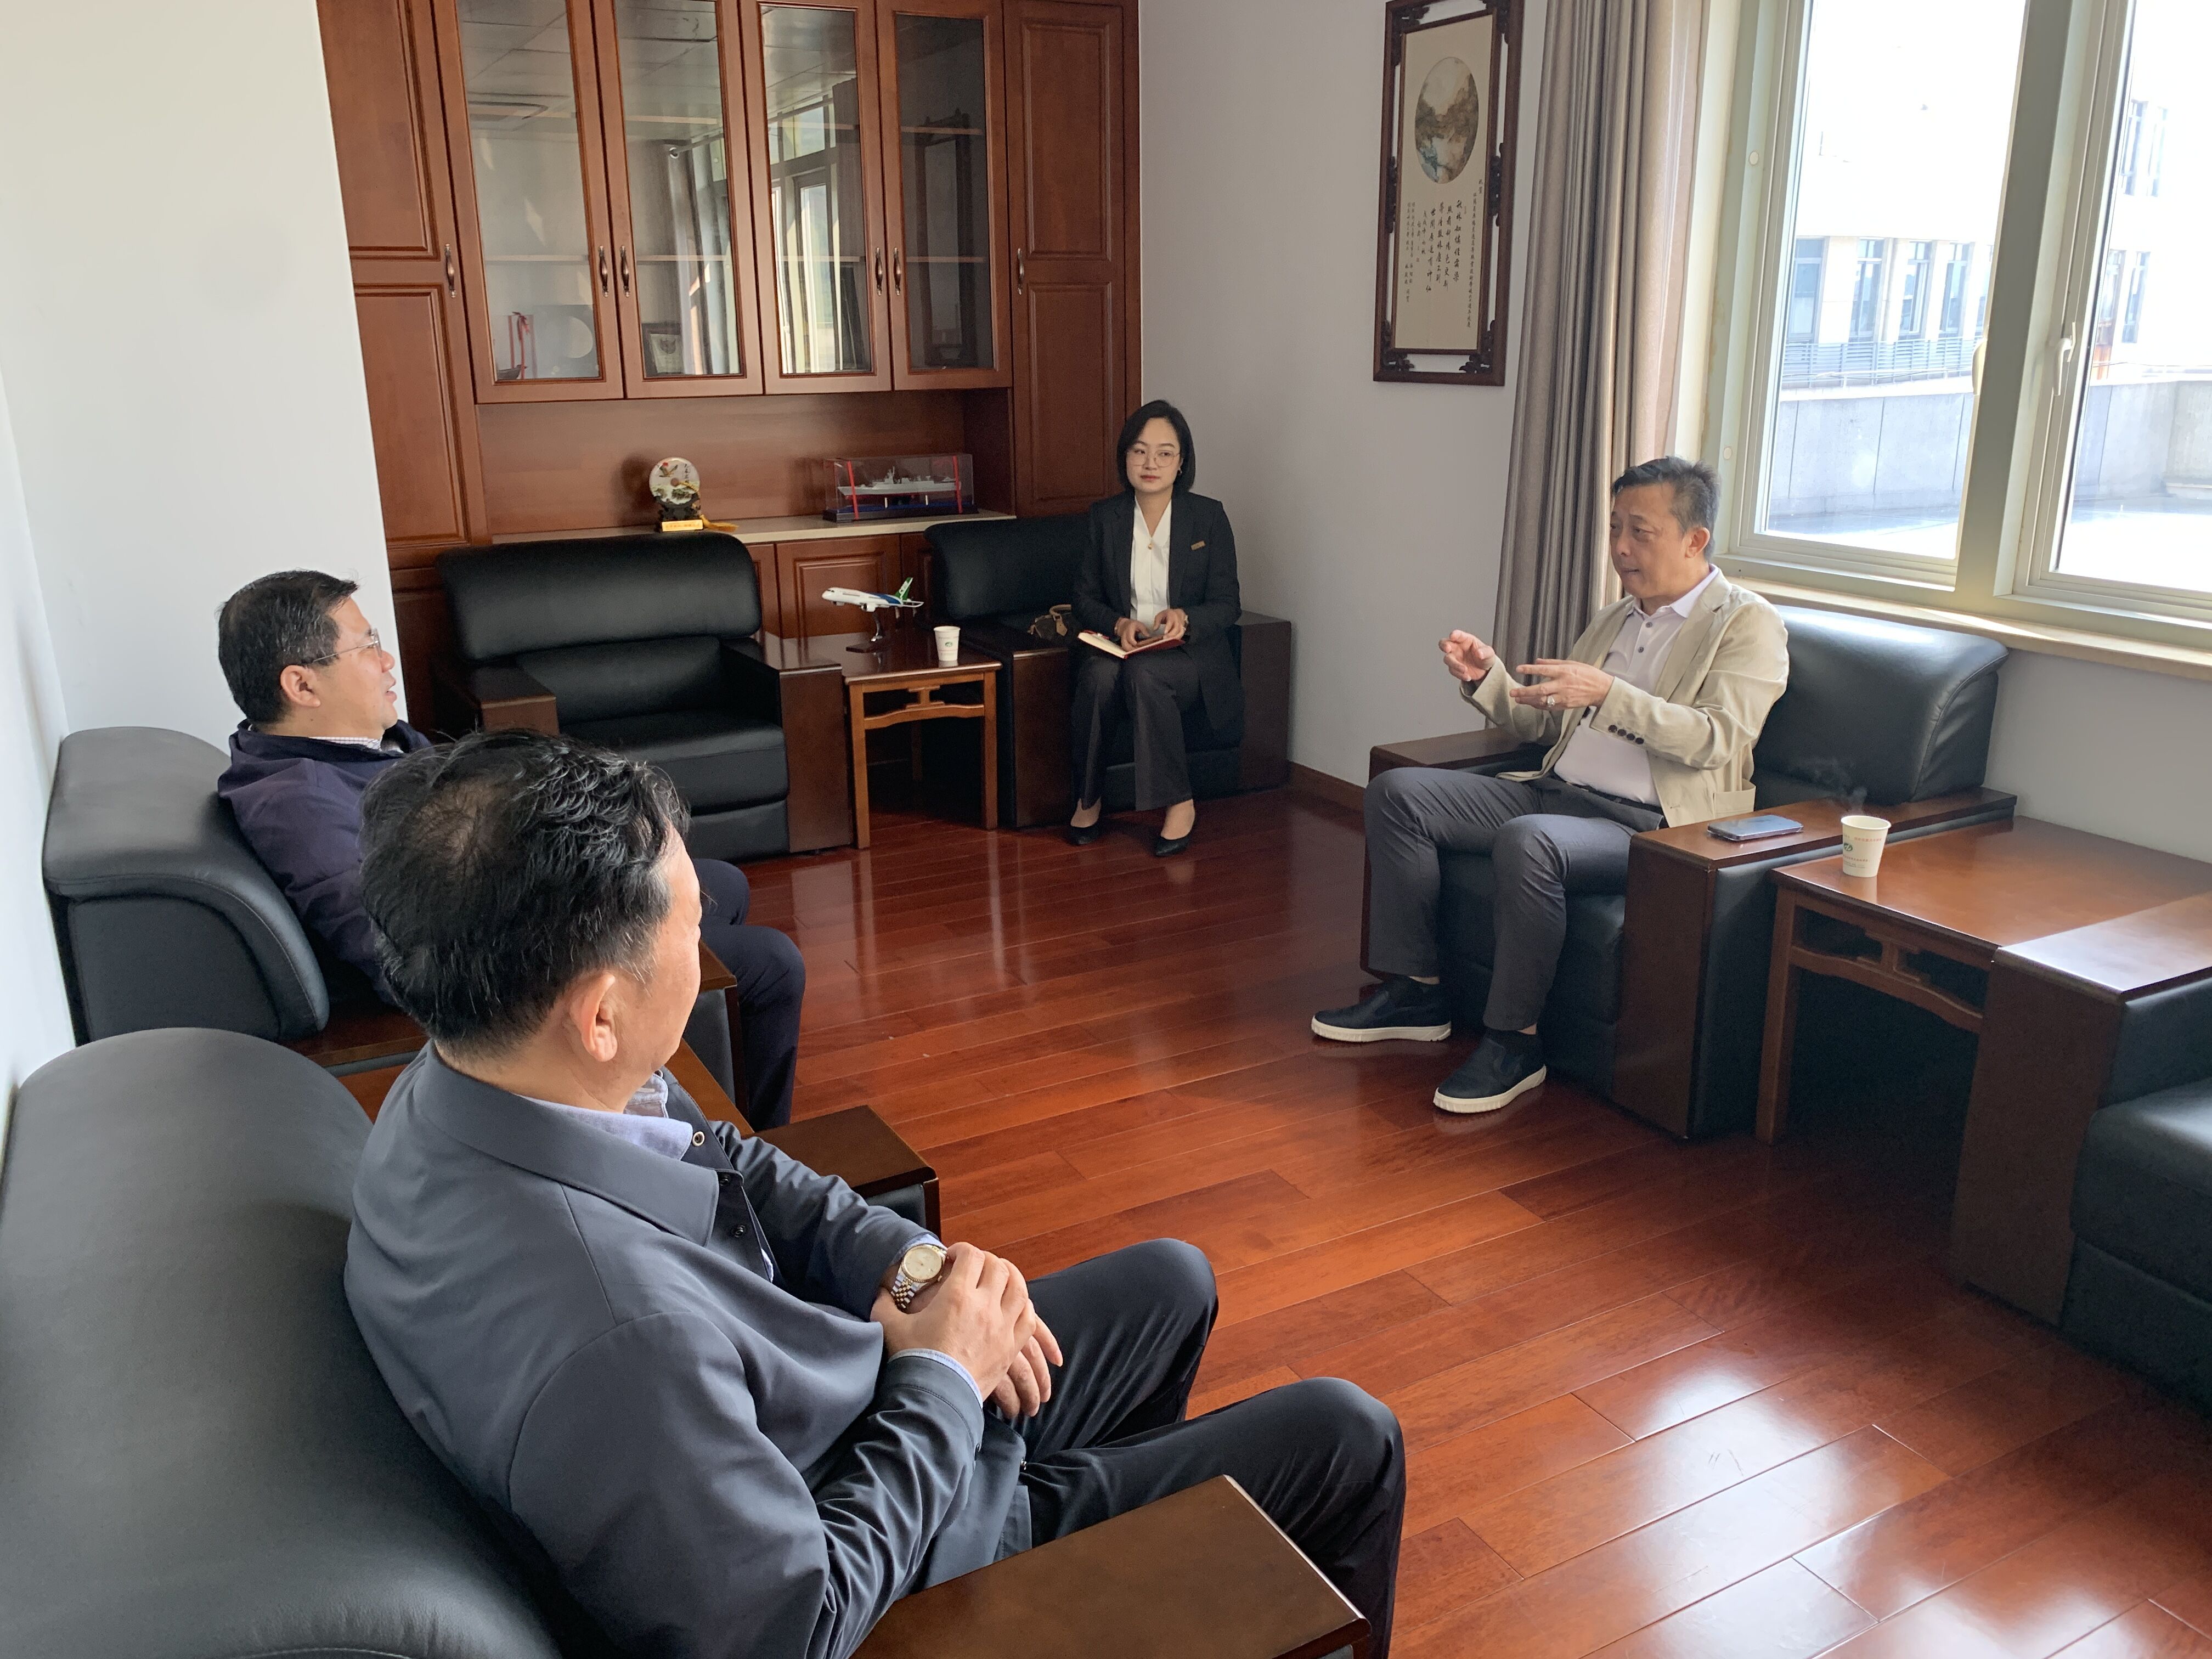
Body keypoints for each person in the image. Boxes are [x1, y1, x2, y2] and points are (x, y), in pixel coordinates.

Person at [344, 730, 1406, 1659]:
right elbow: (799, 1623)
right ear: (601, 1013)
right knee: (1345, 1433)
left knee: (1173, 1278)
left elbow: (727, 1156)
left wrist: (914, 1271)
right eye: (691, 929)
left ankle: (1136, 1543)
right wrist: (944, 1374)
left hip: (852, 1425)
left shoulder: (469, 1080)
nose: (707, 948)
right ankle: (1089, 1559)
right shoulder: (620, 1340)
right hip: (908, 1562)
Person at [212, 569, 808, 1127]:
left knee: (721, 885)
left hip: (510, 899)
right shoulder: (302, 809)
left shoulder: (352, 748)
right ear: (301, 684)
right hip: (514, 969)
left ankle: (696, 1066)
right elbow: (401, 958)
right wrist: (566, 918)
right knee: (770, 964)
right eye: (367, 647)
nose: (388, 661)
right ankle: (749, 1134)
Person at [1313, 458, 1790, 1115]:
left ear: (1695, 539)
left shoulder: (1747, 624)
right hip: (1553, 790)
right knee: (1399, 795)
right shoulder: (1616, 617)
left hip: (1648, 824)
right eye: (1615, 527)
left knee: (1529, 841)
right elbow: (1546, 722)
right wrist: (1489, 679)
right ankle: (1418, 992)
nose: (1620, 547)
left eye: (1640, 531)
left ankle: (1516, 1042)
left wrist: (1610, 693)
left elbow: (1718, 738)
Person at [1066, 400, 1243, 857]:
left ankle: (1179, 801)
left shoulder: (1208, 517)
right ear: (1125, 456)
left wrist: (1185, 617)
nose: (1151, 463)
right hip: (1121, 648)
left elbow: (1228, 604)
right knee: (1098, 676)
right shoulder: (1105, 517)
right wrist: (1118, 622)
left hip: (1187, 657)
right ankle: (1088, 797)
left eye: (1165, 453)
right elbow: (1084, 598)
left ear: (1182, 462)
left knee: (1146, 675)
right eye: (1140, 451)